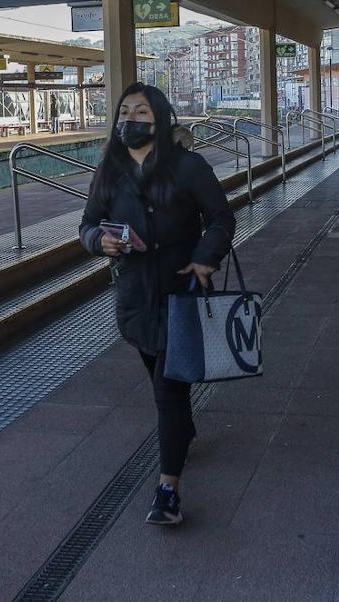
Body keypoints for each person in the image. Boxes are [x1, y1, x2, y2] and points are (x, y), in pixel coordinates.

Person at [79, 82, 235, 526]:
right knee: (160, 376)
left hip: (181, 290)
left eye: (141, 111)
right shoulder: (109, 170)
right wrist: (99, 241)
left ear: (161, 118)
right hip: (133, 296)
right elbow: (88, 223)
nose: (131, 119)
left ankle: (167, 490)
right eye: (124, 112)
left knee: (169, 387)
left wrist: (206, 258)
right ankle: (181, 431)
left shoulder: (188, 167)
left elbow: (222, 216)